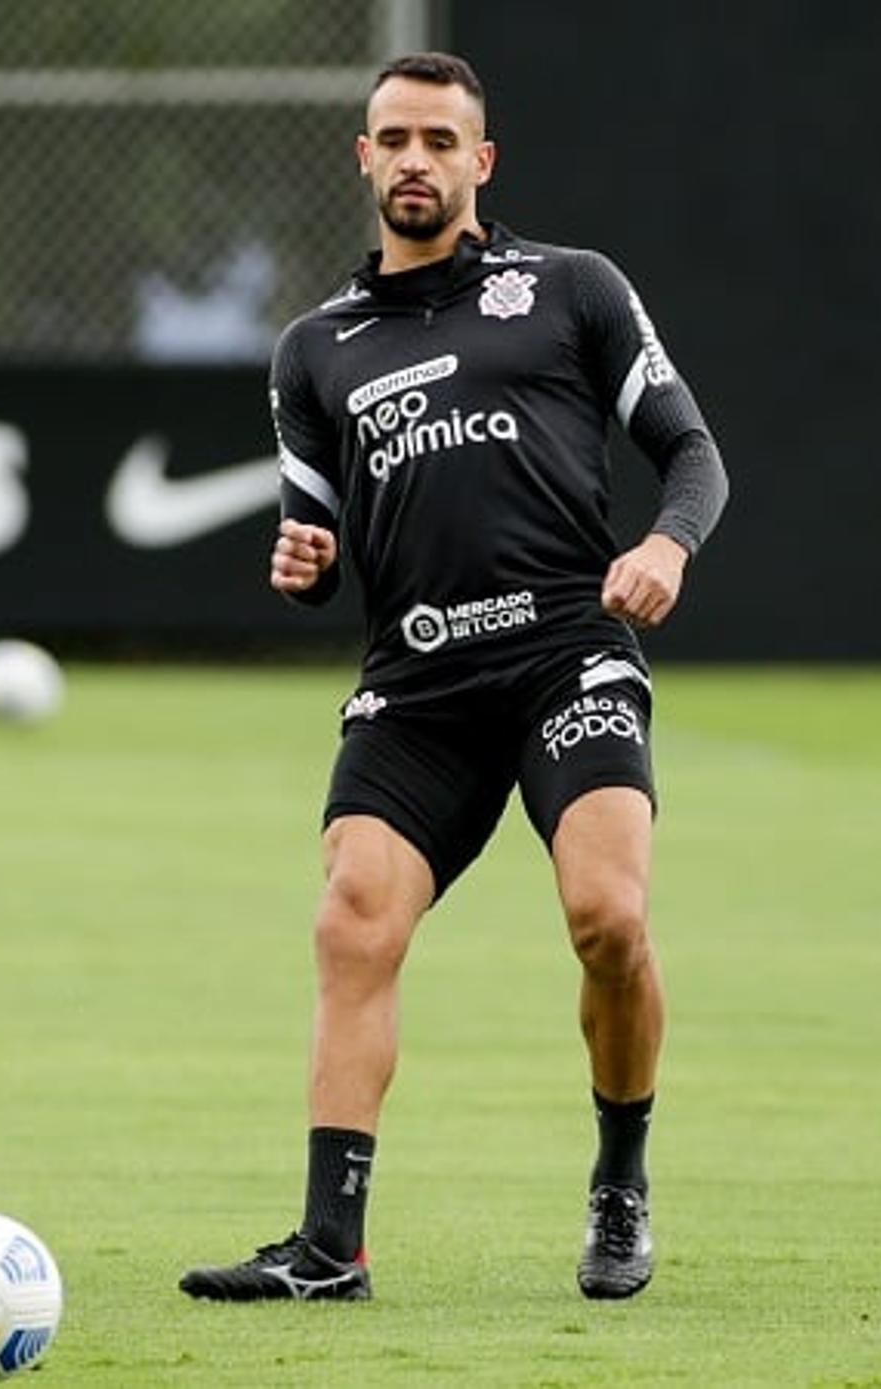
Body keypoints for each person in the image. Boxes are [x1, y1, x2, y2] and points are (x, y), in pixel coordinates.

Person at [180, 51, 728, 1304]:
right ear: (363, 160)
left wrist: (664, 541)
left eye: (441, 139)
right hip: (418, 684)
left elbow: (691, 451)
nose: (416, 159)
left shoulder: (572, 290)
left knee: (610, 919)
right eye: (395, 139)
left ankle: (620, 1181)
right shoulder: (315, 350)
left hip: (562, 653)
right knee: (350, 918)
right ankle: (331, 1250)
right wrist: (302, 559)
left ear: (481, 162)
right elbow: (312, 543)